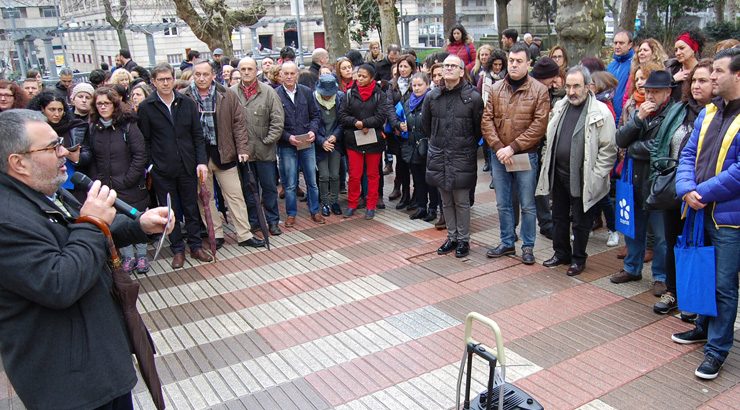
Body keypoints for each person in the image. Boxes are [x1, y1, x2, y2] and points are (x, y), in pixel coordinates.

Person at [0, 108, 173, 410]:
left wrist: (139, 225)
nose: (63, 152)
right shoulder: (7, 218)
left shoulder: (43, 192)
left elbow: (77, 233)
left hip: (97, 363)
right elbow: (58, 282)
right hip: (71, 384)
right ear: (19, 163)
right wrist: (93, 222)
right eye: (52, 147)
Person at [672, 48, 740, 381]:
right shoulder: (708, 112)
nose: (712, 77)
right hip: (698, 208)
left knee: (725, 286)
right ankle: (702, 326)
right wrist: (686, 188)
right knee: (702, 272)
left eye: (718, 72)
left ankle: (717, 350)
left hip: (728, 217)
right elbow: (687, 154)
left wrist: (702, 192)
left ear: (738, 76)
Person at [536, 66, 618, 276]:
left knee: (581, 222)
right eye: (569, 86)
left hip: (585, 176)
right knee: (559, 216)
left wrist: (598, 176)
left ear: (588, 87)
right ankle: (561, 252)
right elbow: (550, 136)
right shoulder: (561, 105)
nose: (571, 91)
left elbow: (608, 150)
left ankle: (578, 259)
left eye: (576, 86)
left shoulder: (601, 111)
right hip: (559, 172)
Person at [651, 59, 715, 316]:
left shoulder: (717, 115)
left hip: (702, 192)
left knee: (698, 244)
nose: (697, 86)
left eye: (704, 80)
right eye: (694, 80)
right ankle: (672, 291)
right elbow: (662, 142)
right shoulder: (679, 109)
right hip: (674, 187)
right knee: (671, 240)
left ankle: (696, 299)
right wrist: (660, 169)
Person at [181, 60, 265, 248]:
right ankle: (216, 233)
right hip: (198, 157)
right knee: (205, 198)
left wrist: (242, 149)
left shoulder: (227, 94)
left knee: (235, 195)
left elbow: (239, 123)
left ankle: (244, 235)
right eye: (198, 75)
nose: (201, 78)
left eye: (205, 74)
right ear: (193, 76)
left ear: (213, 75)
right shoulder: (184, 97)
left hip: (225, 153)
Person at [137, 62, 212, 269]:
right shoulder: (146, 107)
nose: (165, 83)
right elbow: (145, 140)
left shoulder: (186, 103)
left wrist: (200, 162)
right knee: (169, 211)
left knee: (191, 208)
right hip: (162, 169)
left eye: (168, 78)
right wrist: (152, 166)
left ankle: (196, 246)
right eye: (160, 79)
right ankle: (178, 249)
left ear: (173, 78)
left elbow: (198, 136)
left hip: (187, 166)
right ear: (153, 82)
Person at [482, 43, 550, 265]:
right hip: (499, 154)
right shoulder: (495, 88)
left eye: (519, 61)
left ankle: (528, 246)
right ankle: (507, 241)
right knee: (503, 202)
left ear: (529, 64)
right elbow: (487, 120)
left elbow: (539, 126)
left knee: (527, 204)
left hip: (524, 155)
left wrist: (513, 147)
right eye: (511, 60)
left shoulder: (539, 90)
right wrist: (499, 147)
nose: (513, 65)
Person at [610, 70, 675, 296]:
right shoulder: (639, 112)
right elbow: (620, 139)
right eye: (647, 91)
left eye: (655, 92)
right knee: (633, 230)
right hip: (635, 180)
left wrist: (634, 148)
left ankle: (661, 276)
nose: (650, 96)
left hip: (659, 184)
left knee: (661, 236)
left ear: (667, 93)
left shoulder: (673, 113)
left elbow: (661, 148)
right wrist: (637, 120)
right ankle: (632, 267)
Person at [423, 55, 483, 257]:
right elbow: (426, 126)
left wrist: (465, 146)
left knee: (462, 200)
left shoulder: (472, 97)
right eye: (445, 65)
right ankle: (452, 237)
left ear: (461, 70)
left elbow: (478, 129)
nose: (448, 69)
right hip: (439, 154)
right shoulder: (433, 96)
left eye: (452, 66)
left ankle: (463, 240)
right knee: (445, 201)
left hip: (462, 155)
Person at [86, 86, 150, 273]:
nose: (103, 107)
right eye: (99, 104)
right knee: (116, 220)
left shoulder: (128, 125)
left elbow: (140, 155)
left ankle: (142, 256)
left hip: (130, 184)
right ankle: (128, 256)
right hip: (107, 186)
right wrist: (98, 181)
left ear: (115, 104)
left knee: (135, 218)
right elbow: (94, 158)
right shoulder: (94, 128)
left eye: (107, 103)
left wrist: (128, 179)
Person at [233, 57, 285, 236]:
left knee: (269, 188)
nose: (246, 72)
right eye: (243, 69)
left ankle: (272, 221)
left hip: (265, 152)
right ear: (239, 71)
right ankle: (254, 222)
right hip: (243, 154)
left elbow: (277, 119)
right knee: (248, 189)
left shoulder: (269, 92)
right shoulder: (231, 93)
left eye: (250, 69)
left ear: (257, 71)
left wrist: (268, 140)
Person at [338, 63, 393, 220]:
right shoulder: (349, 94)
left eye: (363, 76)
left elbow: (381, 116)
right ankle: (352, 204)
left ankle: (371, 205)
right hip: (353, 140)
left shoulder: (379, 94)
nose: (360, 78)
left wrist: (366, 123)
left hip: (373, 140)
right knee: (354, 175)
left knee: (372, 174)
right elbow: (342, 115)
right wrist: (356, 123)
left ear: (371, 78)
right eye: (358, 75)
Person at [276, 61, 324, 226]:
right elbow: (274, 124)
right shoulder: (275, 95)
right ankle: (291, 214)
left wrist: (313, 131)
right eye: (286, 73)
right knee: (289, 183)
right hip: (287, 145)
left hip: (306, 143)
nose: (289, 76)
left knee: (312, 180)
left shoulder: (306, 91)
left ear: (297, 74)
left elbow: (316, 115)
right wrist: (287, 137)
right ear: (281, 75)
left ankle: (315, 210)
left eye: (292, 73)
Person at [29, 91, 90, 202]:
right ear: (42, 109)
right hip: (43, 181)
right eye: (52, 109)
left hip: (72, 184)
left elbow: (87, 155)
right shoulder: (33, 130)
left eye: (60, 110)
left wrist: (74, 157)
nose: (57, 114)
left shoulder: (76, 127)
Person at [401, 72, 438, 222]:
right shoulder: (407, 102)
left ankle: (433, 208)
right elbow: (404, 119)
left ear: (427, 85)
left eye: (420, 85)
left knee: (431, 181)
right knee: (418, 180)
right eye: (414, 85)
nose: (416, 88)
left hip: (428, 146)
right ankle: (421, 206)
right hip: (412, 146)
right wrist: (402, 125)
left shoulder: (432, 100)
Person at [387, 54, 417, 210]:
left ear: (412, 67)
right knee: (402, 165)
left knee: (415, 165)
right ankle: (404, 194)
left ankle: (416, 197)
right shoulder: (393, 85)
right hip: (398, 134)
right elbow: (389, 107)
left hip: (414, 132)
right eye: (401, 66)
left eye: (406, 66)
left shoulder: (417, 83)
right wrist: (397, 125)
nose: (403, 69)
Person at [314, 74, 345, 217]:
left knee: (334, 174)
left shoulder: (339, 98)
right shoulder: (313, 99)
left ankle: (334, 201)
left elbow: (342, 121)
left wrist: (335, 136)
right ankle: (325, 202)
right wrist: (321, 141)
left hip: (335, 142)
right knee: (323, 175)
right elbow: (311, 122)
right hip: (319, 142)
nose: (327, 96)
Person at [621, 38, 669, 109]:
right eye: (640, 51)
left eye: (645, 50)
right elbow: (626, 97)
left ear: (654, 53)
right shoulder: (633, 73)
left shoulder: (662, 73)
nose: (641, 53)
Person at [668, 30, 705, 102]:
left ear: (693, 48)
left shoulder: (704, 69)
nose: (678, 53)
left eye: (682, 48)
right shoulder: (671, 69)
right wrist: (673, 79)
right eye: (676, 50)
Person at [608, 30, 635, 125]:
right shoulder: (610, 66)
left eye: (621, 43)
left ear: (630, 45)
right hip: (610, 115)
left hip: (625, 117)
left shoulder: (634, 64)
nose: (617, 46)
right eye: (615, 43)